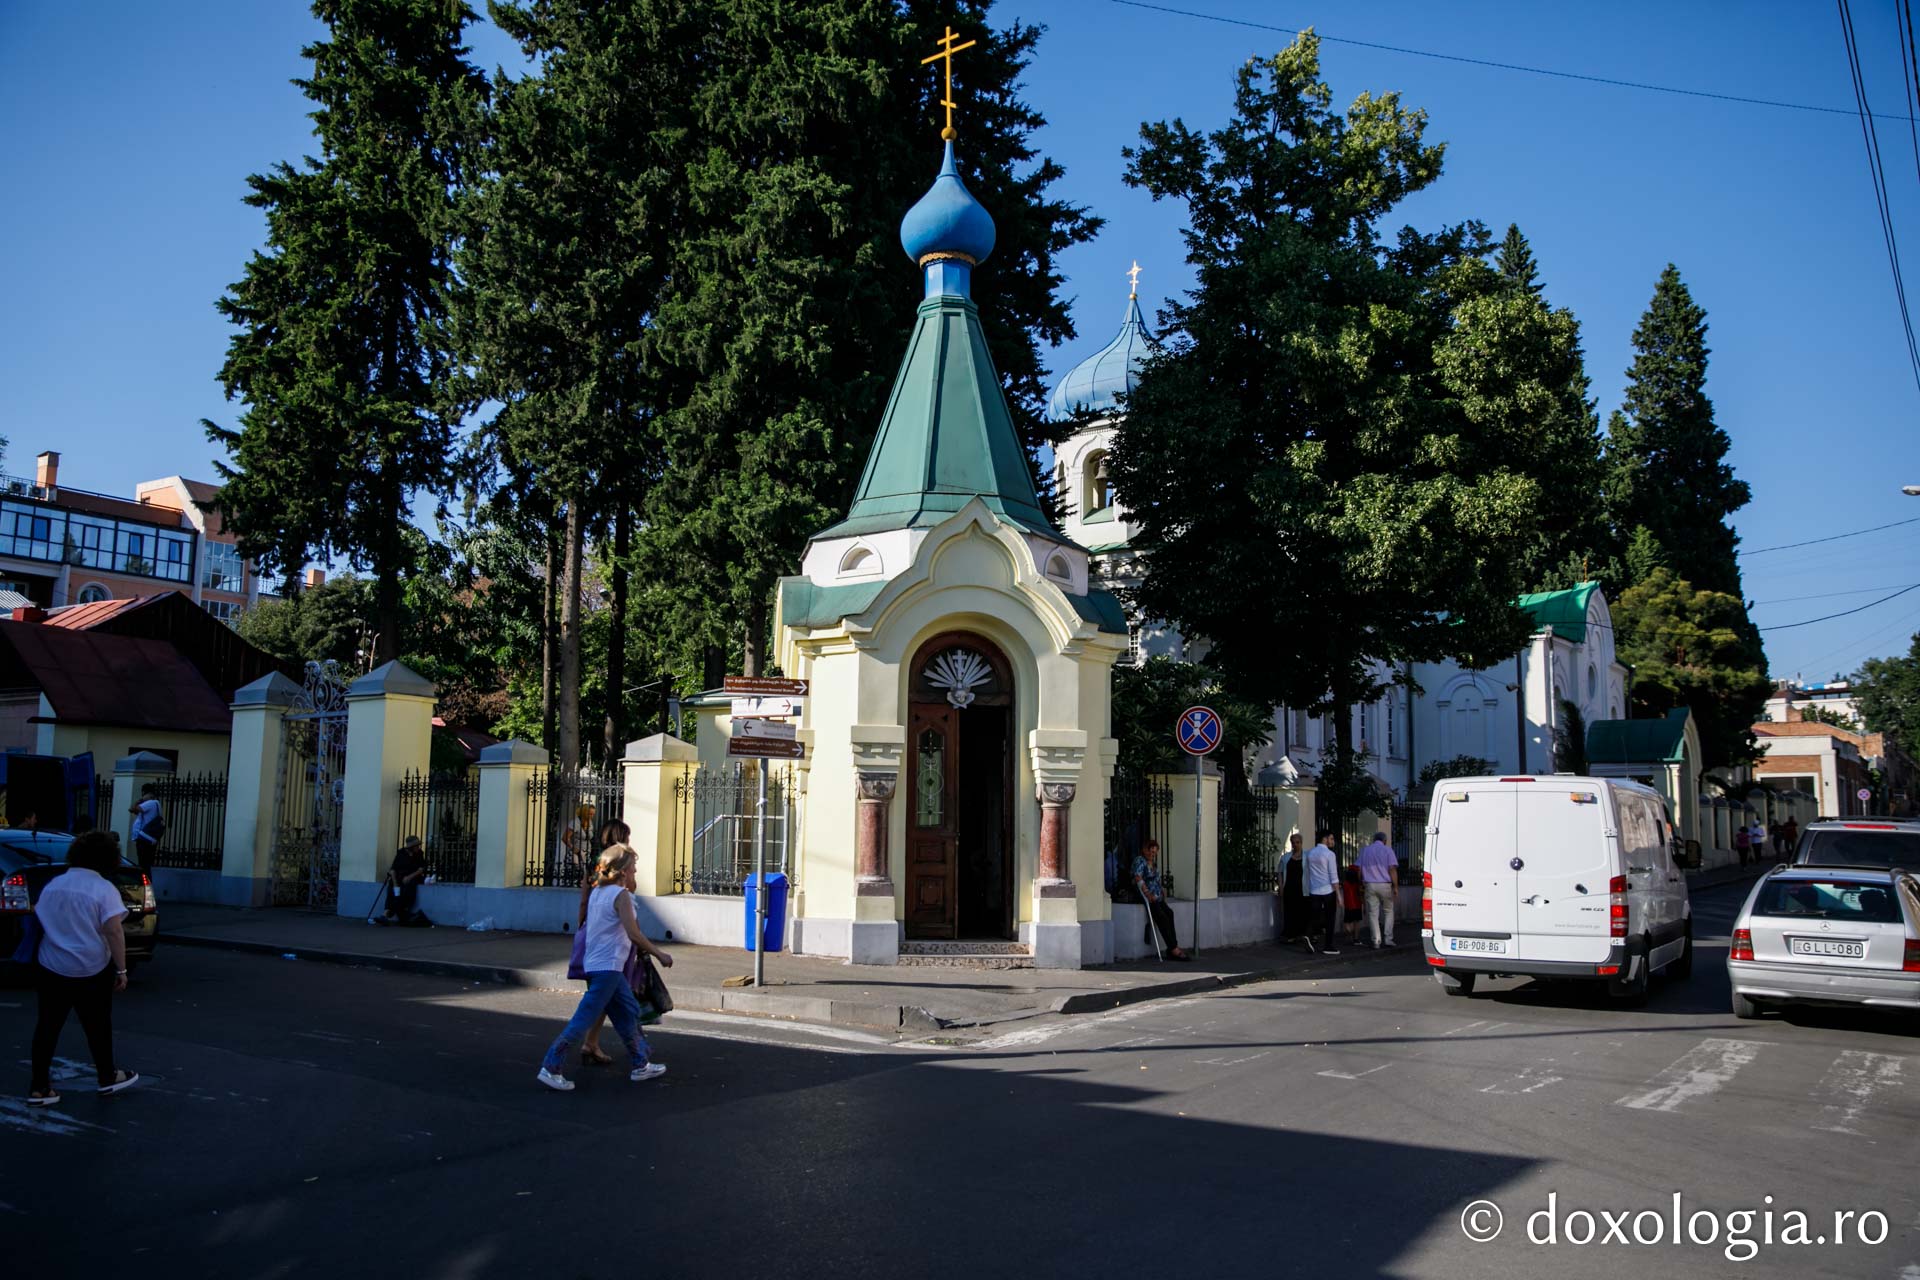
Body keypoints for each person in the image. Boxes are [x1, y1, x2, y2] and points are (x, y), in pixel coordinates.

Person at [537, 843, 673, 1091]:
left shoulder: (598, 892)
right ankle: (551, 1066)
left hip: (599, 964)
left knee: (629, 1010)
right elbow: (633, 933)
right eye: (633, 868)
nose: (635, 873)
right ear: (622, 872)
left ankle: (641, 1063)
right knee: (583, 1019)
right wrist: (659, 953)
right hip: (608, 967)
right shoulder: (620, 897)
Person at [26, 830, 140, 1106]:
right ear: (108, 859)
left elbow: (40, 917)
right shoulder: (103, 889)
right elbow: (113, 931)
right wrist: (122, 969)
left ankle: (40, 1088)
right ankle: (107, 1076)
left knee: (47, 1027)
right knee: (98, 1025)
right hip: (91, 967)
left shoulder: (54, 885)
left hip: (52, 965)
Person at [575, 819, 632, 1068]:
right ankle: (588, 1041)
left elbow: (584, 898)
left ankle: (592, 1041)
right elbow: (629, 891)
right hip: (614, 935)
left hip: (593, 930)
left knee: (601, 992)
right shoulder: (620, 862)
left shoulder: (593, 864)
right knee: (609, 992)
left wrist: (581, 929)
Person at [1132, 838, 1189, 961]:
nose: (1152, 854)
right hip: (1147, 896)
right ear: (1145, 850)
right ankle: (1173, 949)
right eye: (1150, 851)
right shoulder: (1140, 861)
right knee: (1162, 917)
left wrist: (1162, 888)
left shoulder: (1153, 863)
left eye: (1154, 852)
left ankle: (1172, 947)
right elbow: (1138, 877)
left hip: (1157, 895)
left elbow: (1156, 879)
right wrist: (1147, 893)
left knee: (1169, 913)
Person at [1357, 830, 1400, 949]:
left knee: (1372, 913)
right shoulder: (1388, 850)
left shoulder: (1365, 850)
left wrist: (1361, 883)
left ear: (1373, 840)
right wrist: (1395, 887)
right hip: (1385, 885)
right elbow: (1392, 869)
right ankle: (1388, 939)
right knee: (1388, 911)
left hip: (1369, 885)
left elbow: (1359, 870)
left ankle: (1376, 940)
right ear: (1385, 841)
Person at [1303, 829, 1340, 955]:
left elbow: (1307, 873)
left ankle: (1308, 934)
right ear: (1325, 839)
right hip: (1328, 890)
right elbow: (1333, 876)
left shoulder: (1310, 853)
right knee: (1330, 918)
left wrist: (1307, 889)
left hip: (1314, 890)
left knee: (1315, 916)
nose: (1333, 841)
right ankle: (1328, 946)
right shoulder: (1330, 854)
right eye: (1331, 838)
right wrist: (1339, 895)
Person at [379, 836, 429, 925]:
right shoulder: (401, 853)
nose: (418, 847)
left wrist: (409, 877)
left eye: (418, 845)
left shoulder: (419, 854)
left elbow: (421, 869)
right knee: (391, 888)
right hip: (399, 878)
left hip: (412, 877)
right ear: (411, 847)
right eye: (416, 846)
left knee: (409, 887)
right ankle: (385, 914)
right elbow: (393, 869)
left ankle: (399, 910)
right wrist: (395, 884)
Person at [1276, 833, 1306, 942]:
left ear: (1301, 843)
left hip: (1302, 889)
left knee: (1301, 911)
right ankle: (1289, 934)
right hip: (1289, 888)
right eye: (1293, 843)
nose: (1295, 845)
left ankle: (1300, 934)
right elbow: (1279, 872)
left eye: (1297, 842)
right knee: (1289, 911)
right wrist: (1280, 887)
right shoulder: (1286, 857)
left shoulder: (1306, 857)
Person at [128, 786, 162, 874]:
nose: (142, 796)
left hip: (145, 838)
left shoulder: (151, 803)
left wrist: (140, 800)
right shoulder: (155, 804)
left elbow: (132, 808)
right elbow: (134, 811)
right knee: (146, 865)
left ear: (147, 794)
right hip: (150, 839)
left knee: (143, 865)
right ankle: (147, 884)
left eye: (143, 793)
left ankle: (145, 885)